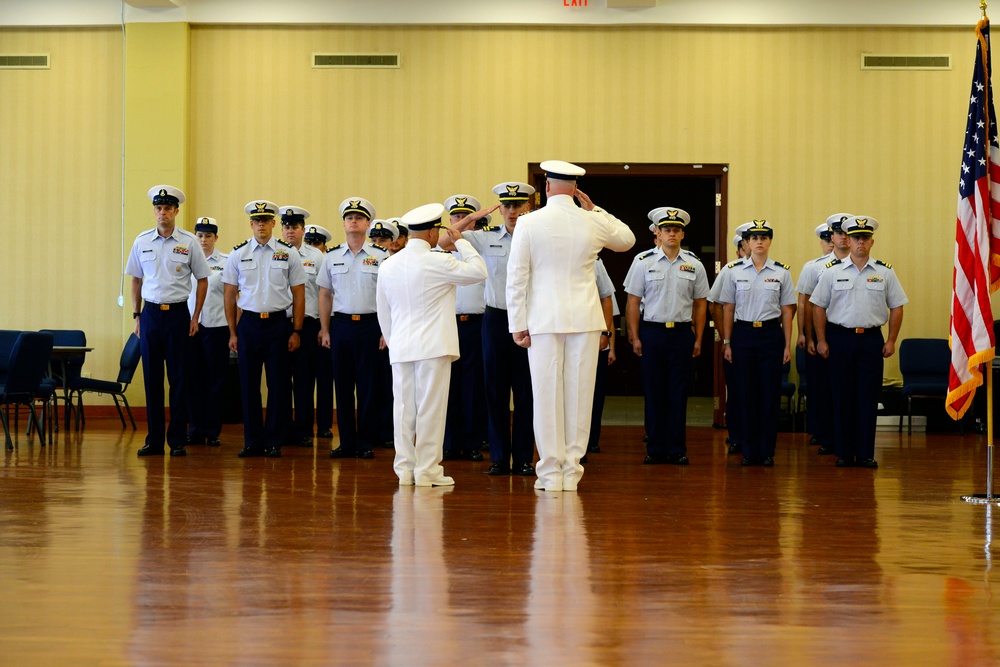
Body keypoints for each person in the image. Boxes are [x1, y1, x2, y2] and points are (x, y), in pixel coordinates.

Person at [506, 160, 635, 492]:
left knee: (547, 395)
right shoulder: (591, 220)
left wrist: (517, 323)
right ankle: (571, 471)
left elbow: (517, 276)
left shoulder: (529, 222)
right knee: (579, 394)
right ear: (576, 189)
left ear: (547, 186)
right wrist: (597, 209)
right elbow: (627, 240)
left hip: (543, 319)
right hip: (585, 319)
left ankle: (549, 472)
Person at [376, 202, 488, 486]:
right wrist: (461, 243)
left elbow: (383, 311)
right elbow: (478, 272)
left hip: (401, 345)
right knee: (430, 408)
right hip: (434, 346)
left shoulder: (388, 265)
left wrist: (393, 339)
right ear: (431, 233)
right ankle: (427, 471)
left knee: (402, 409)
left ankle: (404, 470)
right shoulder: (439, 261)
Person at [451, 182, 537, 477]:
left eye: (517, 205)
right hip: (495, 321)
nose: (512, 211)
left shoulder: (537, 237)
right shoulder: (486, 239)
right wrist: (473, 217)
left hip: (528, 321)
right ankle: (499, 457)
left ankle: (524, 458)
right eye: (507, 206)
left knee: (526, 392)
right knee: (495, 391)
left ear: (527, 207)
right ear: (500, 209)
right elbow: (449, 240)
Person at [811, 215, 906, 469]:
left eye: (865, 238)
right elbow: (817, 306)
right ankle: (843, 452)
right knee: (841, 397)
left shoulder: (884, 272)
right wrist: (821, 340)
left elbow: (897, 307)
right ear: (848, 241)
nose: (860, 242)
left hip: (871, 341)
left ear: (871, 242)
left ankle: (865, 453)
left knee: (867, 398)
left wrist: (892, 340)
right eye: (855, 238)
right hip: (840, 339)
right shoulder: (832, 273)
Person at [125, 185, 210, 457]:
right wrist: (137, 315)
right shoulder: (142, 241)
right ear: (154, 211)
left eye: (167, 208)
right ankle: (154, 440)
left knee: (178, 379)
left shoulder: (189, 242)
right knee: (152, 379)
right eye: (158, 208)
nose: (163, 212)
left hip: (177, 316)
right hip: (149, 316)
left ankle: (176, 440)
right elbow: (136, 280)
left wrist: (195, 316)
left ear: (176, 211)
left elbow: (203, 279)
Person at [626, 207, 709, 465]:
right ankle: (655, 447)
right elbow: (632, 301)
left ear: (682, 234)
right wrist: (635, 335)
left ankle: (676, 449)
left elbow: (700, 303)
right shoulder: (643, 262)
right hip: (652, 332)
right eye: (666, 230)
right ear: (658, 234)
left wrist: (698, 338)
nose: (671, 234)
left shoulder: (694, 264)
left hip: (682, 333)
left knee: (678, 392)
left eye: (676, 230)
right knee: (654, 391)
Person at [222, 200, 305, 458]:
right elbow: (229, 294)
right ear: (251, 224)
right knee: (248, 385)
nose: (261, 225)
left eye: (266, 221)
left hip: (279, 325)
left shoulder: (288, 253)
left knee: (278, 386)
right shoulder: (238, 254)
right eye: (256, 221)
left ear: (273, 224)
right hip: (249, 325)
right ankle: (252, 441)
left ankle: (273, 441)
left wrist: (297, 331)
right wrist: (233, 332)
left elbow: (299, 294)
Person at [718, 219, 796, 467]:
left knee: (769, 395)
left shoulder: (781, 272)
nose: (759, 242)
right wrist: (727, 342)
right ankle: (750, 451)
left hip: (770, 335)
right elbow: (728, 309)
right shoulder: (734, 271)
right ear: (747, 243)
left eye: (764, 238)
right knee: (745, 394)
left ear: (770, 241)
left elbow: (787, 311)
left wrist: (786, 345)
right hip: (743, 335)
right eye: (754, 238)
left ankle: (766, 451)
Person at [318, 197, 388, 460]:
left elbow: (389, 297)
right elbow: (325, 295)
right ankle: (346, 441)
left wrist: (385, 330)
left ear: (368, 224)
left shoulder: (381, 257)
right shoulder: (331, 256)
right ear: (344, 224)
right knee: (343, 386)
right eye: (349, 218)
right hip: (341, 327)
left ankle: (365, 442)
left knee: (369, 386)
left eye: (359, 218)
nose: (353, 221)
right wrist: (325, 330)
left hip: (371, 326)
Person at [795, 213, 852, 456]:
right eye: (837, 233)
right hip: (821, 331)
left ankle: (847, 438)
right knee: (823, 387)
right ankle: (826, 436)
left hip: (847, 330)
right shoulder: (814, 267)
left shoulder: (861, 263)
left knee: (847, 387)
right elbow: (805, 304)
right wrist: (808, 336)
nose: (842, 237)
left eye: (846, 233)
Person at [442, 194, 490, 462]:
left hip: (476, 325)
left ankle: (472, 441)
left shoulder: (483, 251)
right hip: (447, 324)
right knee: (447, 386)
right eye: (457, 217)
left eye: (467, 217)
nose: (460, 222)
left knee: (473, 386)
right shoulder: (440, 252)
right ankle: (449, 442)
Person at [280, 205, 324, 447]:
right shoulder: (274, 253)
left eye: (294, 227)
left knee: (304, 380)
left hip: (307, 324)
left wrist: (321, 326)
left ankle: (304, 428)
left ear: (303, 229)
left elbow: (323, 293)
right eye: (286, 226)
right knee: (281, 378)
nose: (290, 231)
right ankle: (283, 427)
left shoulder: (316, 257)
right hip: (280, 323)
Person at [185, 216, 229, 448]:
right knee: (193, 380)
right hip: (191, 328)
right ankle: (195, 428)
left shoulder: (226, 261)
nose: (203, 240)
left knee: (215, 381)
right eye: (199, 235)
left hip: (217, 327)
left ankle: (213, 430)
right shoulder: (184, 259)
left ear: (216, 237)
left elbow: (233, 297)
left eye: (208, 236)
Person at [709, 223, 750, 454]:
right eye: (744, 245)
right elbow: (715, 305)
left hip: (757, 336)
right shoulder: (730, 270)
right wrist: (726, 338)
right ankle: (736, 436)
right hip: (735, 336)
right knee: (736, 391)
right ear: (739, 249)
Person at [303, 224, 336, 439]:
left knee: (324, 377)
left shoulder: (326, 261)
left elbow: (330, 295)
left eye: (317, 243)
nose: (313, 246)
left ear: (324, 247)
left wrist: (325, 328)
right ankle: (302, 426)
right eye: (310, 242)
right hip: (300, 324)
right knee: (303, 378)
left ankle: (324, 424)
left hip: (323, 324)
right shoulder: (294, 258)